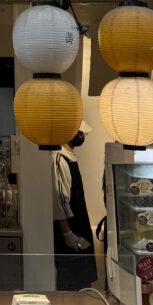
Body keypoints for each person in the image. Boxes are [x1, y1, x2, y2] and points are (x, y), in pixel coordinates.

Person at [52, 122, 98, 291]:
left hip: (80, 225)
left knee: (83, 283)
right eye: (79, 133)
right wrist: (67, 233)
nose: (82, 136)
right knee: (70, 283)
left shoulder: (69, 156)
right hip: (70, 230)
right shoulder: (58, 157)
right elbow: (59, 199)